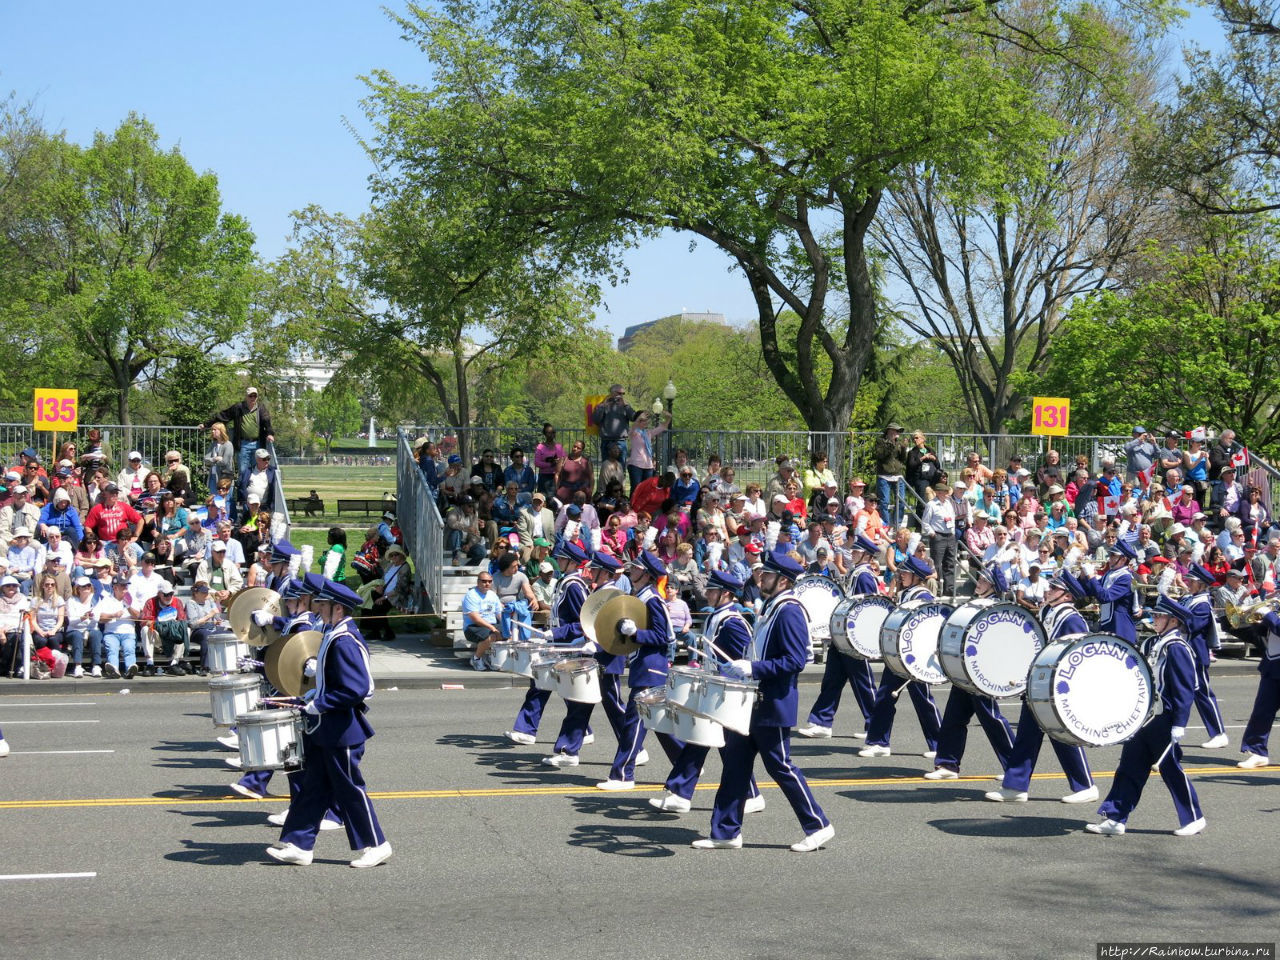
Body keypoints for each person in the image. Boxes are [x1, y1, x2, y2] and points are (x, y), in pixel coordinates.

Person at [692, 549, 834, 852]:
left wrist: (753, 668)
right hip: (751, 702)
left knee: (781, 767)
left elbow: (796, 661)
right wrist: (741, 666)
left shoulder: (789, 610)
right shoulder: (771, 607)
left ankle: (818, 825)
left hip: (773, 702)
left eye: (766, 575)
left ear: (782, 581)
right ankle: (725, 832)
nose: (760, 578)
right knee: (734, 766)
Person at [267, 578, 392, 868]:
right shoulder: (333, 633)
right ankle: (299, 845)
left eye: (322, 605)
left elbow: (357, 688)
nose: (318, 609)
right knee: (313, 787)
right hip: (327, 728)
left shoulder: (344, 640)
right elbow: (333, 682)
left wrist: (320, 703)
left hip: (342, 730)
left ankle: (377, 844)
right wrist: (313, 693)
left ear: (338, 609)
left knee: (349, 790)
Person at [1086, 595, 1205, 837]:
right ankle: (1116, 817)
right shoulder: (1154, 643)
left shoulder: (1178, 648)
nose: (1155, 619)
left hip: (1164, 718)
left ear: (1173, 621)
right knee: (1129, 767)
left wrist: (1179, 723)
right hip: (1144, 718)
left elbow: (1184, 689)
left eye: (1160, 616)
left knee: (1170, 769)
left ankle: (1194, 817)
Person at [650, 569, 766, 815]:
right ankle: (745, 794)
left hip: (726, 695)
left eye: (712, 590)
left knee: (707, 741)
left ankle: (682, 792)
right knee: (706, 741)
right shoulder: (719, 616)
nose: (707, 593)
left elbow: (744, 659)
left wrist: (731, 675)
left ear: (725, 593)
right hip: (714, 690)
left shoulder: (733, 621)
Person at [987, 572, 1096, 804]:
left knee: (1062, 736)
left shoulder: (1072, 619)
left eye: (1054, 589)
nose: (1047, 591)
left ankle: (1085, 785)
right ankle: (1015, 786)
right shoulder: (1051, 613)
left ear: (1066, 595)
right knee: (1027, 735)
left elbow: (1077, 656)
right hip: (1039, 684)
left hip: (1056, 688)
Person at [597, 550, 683, 790]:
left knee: (633, 723)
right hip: (644, 667)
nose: (631, 570)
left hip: (651, 669)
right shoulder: (642, 596)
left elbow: (666, 635)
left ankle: (623, 775)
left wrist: (635, 632)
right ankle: (686, 763)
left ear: (645, 574)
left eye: (635, 567)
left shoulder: (653, 599)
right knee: (660, 725)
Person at [923, 565, 1016, 780]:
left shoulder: (996, 609)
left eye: (983, 581)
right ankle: (947, 763)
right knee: (954, 717)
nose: (978, 583)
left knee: (991, 718)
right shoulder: (977, 605)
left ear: (992, 586)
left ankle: (1015, 767)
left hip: (982, 673)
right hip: (965, 671)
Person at [542, 550, 631, 767]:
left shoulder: (613, 596)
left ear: (605, 572)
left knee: (616, 709)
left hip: (607, 659)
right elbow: (586, 623)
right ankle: (568, 751)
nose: (589, 571)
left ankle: (634, 749)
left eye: (594, 569)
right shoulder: (598, 592)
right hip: (592, 657)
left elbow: (619, 629)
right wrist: (562, 636)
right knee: (579, 703)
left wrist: (597, 645)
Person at [797, 534, 882, 740]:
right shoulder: (857, 573)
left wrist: (860, 639)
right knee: (832, 680)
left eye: (856, 552)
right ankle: (821, 722)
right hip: (843, 637)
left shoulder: (864, 576)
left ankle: (876, 725)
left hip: (854, 639)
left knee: (863, 683)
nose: (852, 554)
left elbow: (867, 609)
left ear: (865, 555)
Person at [859, 555, 942, 760]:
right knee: (885, 697)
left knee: (923, 701)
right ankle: (879, 742)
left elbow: (927, 627)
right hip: (899, 656)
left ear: (916, 576)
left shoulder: (923, 596)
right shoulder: (908, 593)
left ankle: (941, 744)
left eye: (905, 573)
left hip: (914, 658)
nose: (901, 575)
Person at [202, 386, 275, 494]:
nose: (253, 398)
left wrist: (270, 434)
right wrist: (206, 424)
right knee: (243, 471)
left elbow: (266, 422)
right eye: (250, 396)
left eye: (255, 396)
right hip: (243, 444)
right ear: (246, 397)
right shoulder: (238, 407)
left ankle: (256, 495)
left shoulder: (261, 408)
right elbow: (223, 415)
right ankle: (242, 497)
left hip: (258, 444)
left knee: (257, 471)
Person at [1062, 540, 1139, 642]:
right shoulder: (1110, 574)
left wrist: (1091, 576)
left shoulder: (1126, 577)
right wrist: (1083, 576)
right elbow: (1091, 592)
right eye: (1110, 555)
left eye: (1113, 556)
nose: (1109, 558)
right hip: (1108, 624)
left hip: (1121, 627)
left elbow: (1105, 597)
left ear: (1123, 559)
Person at [1239, 596, 1280, 769]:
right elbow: (1266, 632)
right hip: (1272, 666)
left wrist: (1269, 615)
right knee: (1261, 713)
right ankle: (1257, 752)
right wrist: (1257, 621)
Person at [462, 569, 503, 671]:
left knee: (509, 634)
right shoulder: (471, 595)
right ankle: (476, 659)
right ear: (478, 582)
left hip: (491, 624)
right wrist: (492, 628)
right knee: (491, 636)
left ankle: (492, 658)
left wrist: (508, 628)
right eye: (484, 581)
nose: (487, 584)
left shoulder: (493, 595)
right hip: (473, 627)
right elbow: (475, 618)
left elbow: (499, 614)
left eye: (489, 581)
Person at [591, 384, 639, 470]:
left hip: (621, 441)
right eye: (619, 393)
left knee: (620, 469)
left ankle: (619, 483)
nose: (621, 395)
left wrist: (626, 406)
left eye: (623, 394)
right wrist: (603, 405)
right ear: (612, 393)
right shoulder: (603, 404)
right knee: (606, 468)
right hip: (606, 441)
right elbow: (595, 419)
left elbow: (633, 417)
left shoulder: (625, 406)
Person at [872, 422, 909, 526]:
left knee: (901, 501)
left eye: (898, 431)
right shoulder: (880, 441)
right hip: (884, 475)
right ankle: (886, 524)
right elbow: (880, 455)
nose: (897, 433)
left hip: (898, 476)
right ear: (889, 431)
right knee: (884, 502)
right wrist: (890, 444)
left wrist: (904, 448)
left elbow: (903, 459)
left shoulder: (899, 443)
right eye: (896, 431)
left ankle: (897, 523)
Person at [533, 424, 564, 499]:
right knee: (543, 498)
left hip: (557, 477)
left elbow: (563, 459)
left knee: (555, 499)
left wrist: (559, 462)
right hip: (544, 477)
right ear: (545, 434)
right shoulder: (540, 447)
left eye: (553, 432)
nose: (551, 434)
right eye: (549, 432)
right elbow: (537, 462)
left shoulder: (559, 447)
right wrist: (550, 464)